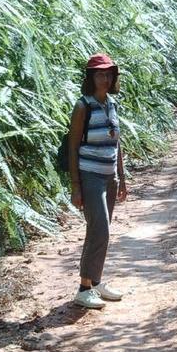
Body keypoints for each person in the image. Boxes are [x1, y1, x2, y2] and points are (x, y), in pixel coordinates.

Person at [68, 53, 128, 309]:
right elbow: (72, 147)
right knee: (99, 229)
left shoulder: (111, 105)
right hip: (90, 176)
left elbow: (117, 143)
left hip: (109, 177)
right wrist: (75, 186)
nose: (104, 78)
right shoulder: (83, 106)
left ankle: (96, 281)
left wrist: (122, 178)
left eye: (108, 74)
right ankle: (83, 288)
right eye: (99, 74)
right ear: (90, 78)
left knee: (102, 231)